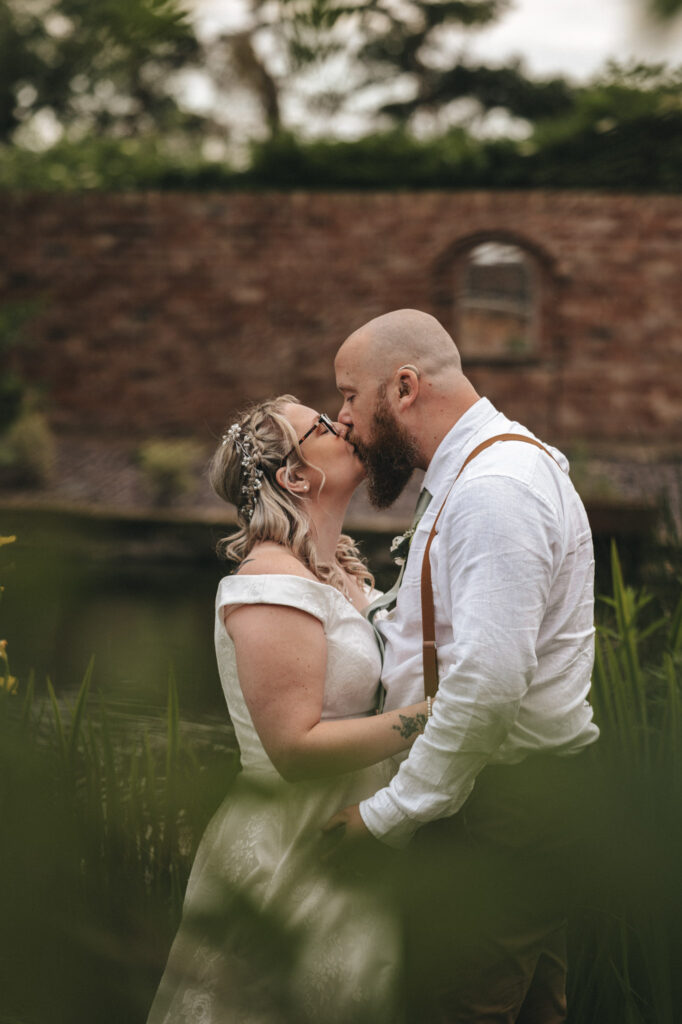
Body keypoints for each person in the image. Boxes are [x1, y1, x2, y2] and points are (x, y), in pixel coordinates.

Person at [325, 309, 600, 1023]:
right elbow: (452, 633)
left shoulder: (493, 489)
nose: (342, 418)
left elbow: (487, 685)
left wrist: (387, 816)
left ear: (405, 387)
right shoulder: (481, 470)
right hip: (511, 803)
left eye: (350, 395)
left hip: (497, 817)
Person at [146, 395, 429, 1024]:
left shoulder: (343, 575)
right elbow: (294, 750)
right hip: (292, 843)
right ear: (295, 476)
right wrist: (437, 715)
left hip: (357, 829)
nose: (344, 422)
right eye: (323, 425)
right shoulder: (270, 585)